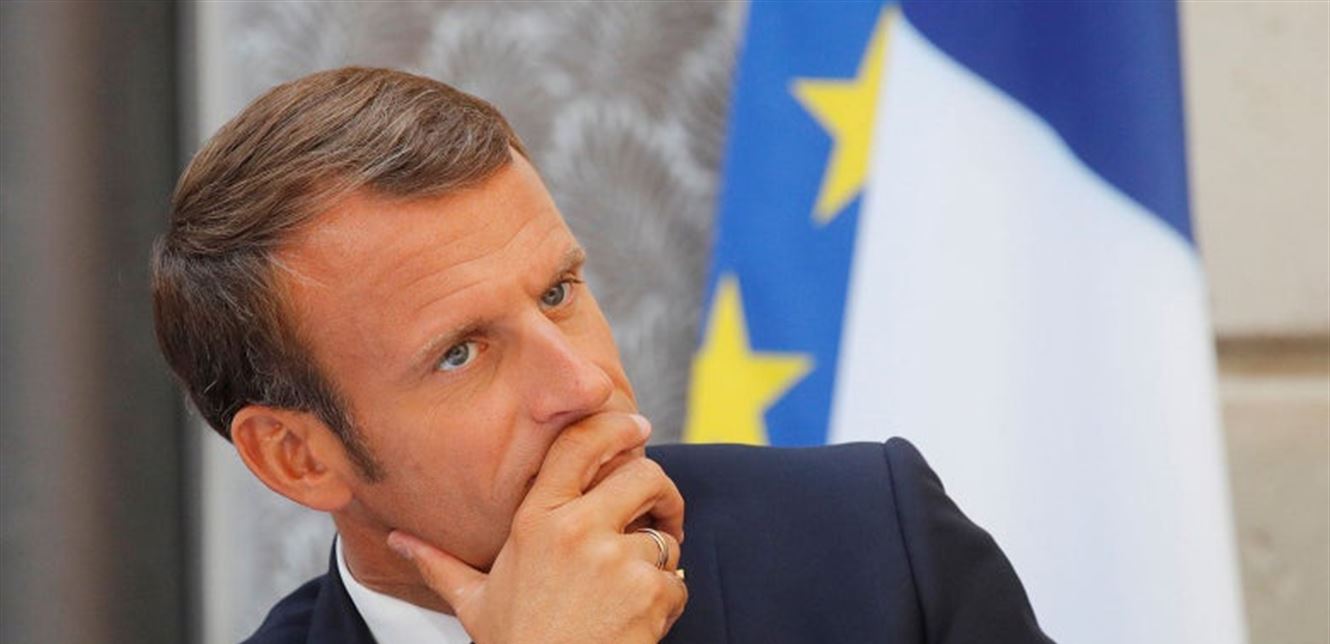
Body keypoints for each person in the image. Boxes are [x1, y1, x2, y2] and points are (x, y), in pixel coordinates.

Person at [152, 67, 1052, 644]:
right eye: (460, 353)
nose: (583, 383)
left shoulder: (872, 543)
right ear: (297, 457)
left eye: (558, 293)